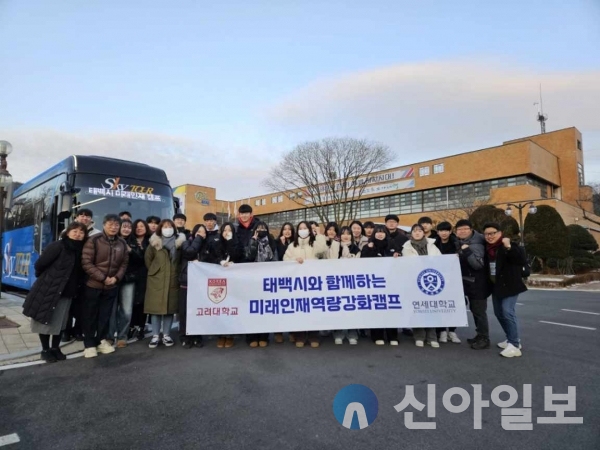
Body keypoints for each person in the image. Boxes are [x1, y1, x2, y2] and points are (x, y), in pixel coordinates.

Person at [22, 222, 87, 363]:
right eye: (74, 230)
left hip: (67, 292)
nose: (78, 234)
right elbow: (40, 265)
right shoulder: (58, 246)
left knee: (60, 322)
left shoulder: (81, 250)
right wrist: (47, 279)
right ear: (68, 232)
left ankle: (55, 348)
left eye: (81, 232)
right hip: (49, 289)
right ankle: (45, 350)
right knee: (44, 320)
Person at [81, 214, 129, 358]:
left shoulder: (121, 243)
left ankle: (101, 341)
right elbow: (86, 262)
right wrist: (103, 278)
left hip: (111, 286)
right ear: (104, 224)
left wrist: (116, 278)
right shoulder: (93, 240)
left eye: (116, 225)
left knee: (105, 316)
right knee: (90, 315)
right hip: (93, 284)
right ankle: (89, 344)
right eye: (110, 224)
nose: (113, 227)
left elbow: (124, 264)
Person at [483, 223, 527, 358]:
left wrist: (508, 247)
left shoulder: (509, 246)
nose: (490, 236)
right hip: (496, 286)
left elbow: (520, 260)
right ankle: (511, 338)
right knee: (498, 313)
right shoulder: (487, 249)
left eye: (492, 233)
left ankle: (514, 344)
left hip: (510, 286)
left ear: (500, 233)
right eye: (487, 234)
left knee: (507, 312)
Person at [284, 221, 328, 348]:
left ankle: (314, 335)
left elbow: (322, 250)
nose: (303, 230)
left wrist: (318, 234)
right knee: (299, 309)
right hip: (297, 284)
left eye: (305, 228)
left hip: (313, 283)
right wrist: (294, 261)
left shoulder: (314, 243)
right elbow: (285, 259)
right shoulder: (292, 246)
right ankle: (300, 335)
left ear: (309, 230)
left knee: (313, 308)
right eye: (300, 228)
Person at [144, 219, 186, 349]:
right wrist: (156, 271)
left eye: (170, 226)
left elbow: (180, 262)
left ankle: (166, 335)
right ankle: (155, 335)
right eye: (165, 226)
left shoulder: (180, 243)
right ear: (160, 228)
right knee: (155, 310)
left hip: (173, 279)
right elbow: (148, 260)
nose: (167, 228)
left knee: (169, 309)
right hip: (156, 280)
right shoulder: (154, 243)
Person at [402, 224, 442, 348]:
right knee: (417, 309)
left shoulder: (432, 246)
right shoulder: (406, 247)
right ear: (411, 233)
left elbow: (441, 261)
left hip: (431, 281)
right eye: (415, 231)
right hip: (414, 282)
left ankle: (432, 336)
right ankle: (419, 336)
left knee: (431, 309)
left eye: (420, 231)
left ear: (424, 233)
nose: (417, 233)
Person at [455, 219, 492, 350]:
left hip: (479, 284)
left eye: (465, 229)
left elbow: (477, 265)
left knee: (479, 311)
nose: (462, 231)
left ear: (471, 229)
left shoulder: (477, 244)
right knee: (475, 311)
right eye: (459, 229)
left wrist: (467, 251)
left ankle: (484, 338)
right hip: (469, 283)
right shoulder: (461, 242)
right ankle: (479, 335)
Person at [361, 225, 399, 346]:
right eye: (378, 232)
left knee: (391, 309)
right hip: (374, 283)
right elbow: (362, 263)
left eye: (383, 232)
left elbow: (401, 261)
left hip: (391, 282)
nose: (380, 234)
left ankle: (392, 335)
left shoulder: (393, 245)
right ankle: (377, 335)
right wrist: (370, 249)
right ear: (374, 234)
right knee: (376, 308)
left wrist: (398, 255)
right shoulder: (367, 246)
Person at [244, 221, 278, 347]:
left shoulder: (272, 242)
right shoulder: (250, 241)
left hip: (267, 280)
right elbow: (248, 256)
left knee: (265, 309)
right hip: (252, 280)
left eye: (264, 228)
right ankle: (251, 336)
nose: (261, 230)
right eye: (258, 228)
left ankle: (264, 336)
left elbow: (275, 260)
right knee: (252, 308)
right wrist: (253, 241)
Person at [206, 222, 240, 348]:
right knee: (220, 307)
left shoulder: (237, 242)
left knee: (231, 307)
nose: (227, 232)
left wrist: (230, 242)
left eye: (229, 230)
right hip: (219, 279)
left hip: (233, 279)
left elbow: (238, 255)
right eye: (225, 230)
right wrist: (219, 261)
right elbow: (210, 257)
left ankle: (230, 335)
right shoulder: (216, 243)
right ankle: (220, 335)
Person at [107, 219, 136, 348]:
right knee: (111, 309)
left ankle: (122, 336)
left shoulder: (135, 242)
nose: (126, 229)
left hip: (128, 280)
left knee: (126, 310)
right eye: (123, 227)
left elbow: (140, 259)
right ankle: (109, 336)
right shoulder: (111, 240)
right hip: (112, 278)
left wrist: (131, 251)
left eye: (129, 227)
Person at [179, 224, 207, 348]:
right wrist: (198, 239)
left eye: (203, 232)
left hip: (201, 283)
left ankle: (197, 336)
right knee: (185, 311)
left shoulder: (207, 245)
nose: (201, 234)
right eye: (199, 231)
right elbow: (189, 253)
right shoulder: (186, 243)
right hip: (187, 282)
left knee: (199, 311)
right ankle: (185, 336)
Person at [332, 226, 361, 346]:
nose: (346, 236)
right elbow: (331, 258)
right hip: (336, 282)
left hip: (351, 283)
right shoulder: (334, 247)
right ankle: (338, 333)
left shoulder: (356, 249)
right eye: (343, 234)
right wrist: (335, 244)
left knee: (351, 308)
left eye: (348, 234)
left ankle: (352, 333)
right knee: (337, 307)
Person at [434, 221, 461, 344]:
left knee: (452, 304)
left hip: (453, 279)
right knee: (439, 304)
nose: (444, 233)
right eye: (441, 231)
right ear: (438, 232)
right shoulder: (434, 244)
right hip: (437, 279)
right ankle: (441, 331)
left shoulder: (457, 243)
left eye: (446, 230)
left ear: (450, 232)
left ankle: (452, 330)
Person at [128, 219, 151, 341]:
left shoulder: (151, 241)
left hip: (146, 275)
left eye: (142, 226)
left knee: (143, 302)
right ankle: (131, 326)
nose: (139, 228)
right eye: (136, 226)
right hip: (131, 275)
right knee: (131, 302)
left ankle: (141, 326)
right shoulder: (129, 240)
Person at [274, 222, 295, 344]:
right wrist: (281, 244)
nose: (287, 231)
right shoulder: (277, 242)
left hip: (293, 278)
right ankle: (279, 332)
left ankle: (292, 331)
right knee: (279, 306)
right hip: (280, 278)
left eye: (289, 229)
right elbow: (281, 258)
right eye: (285, 229)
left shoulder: (296, 243)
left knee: (291, 306)